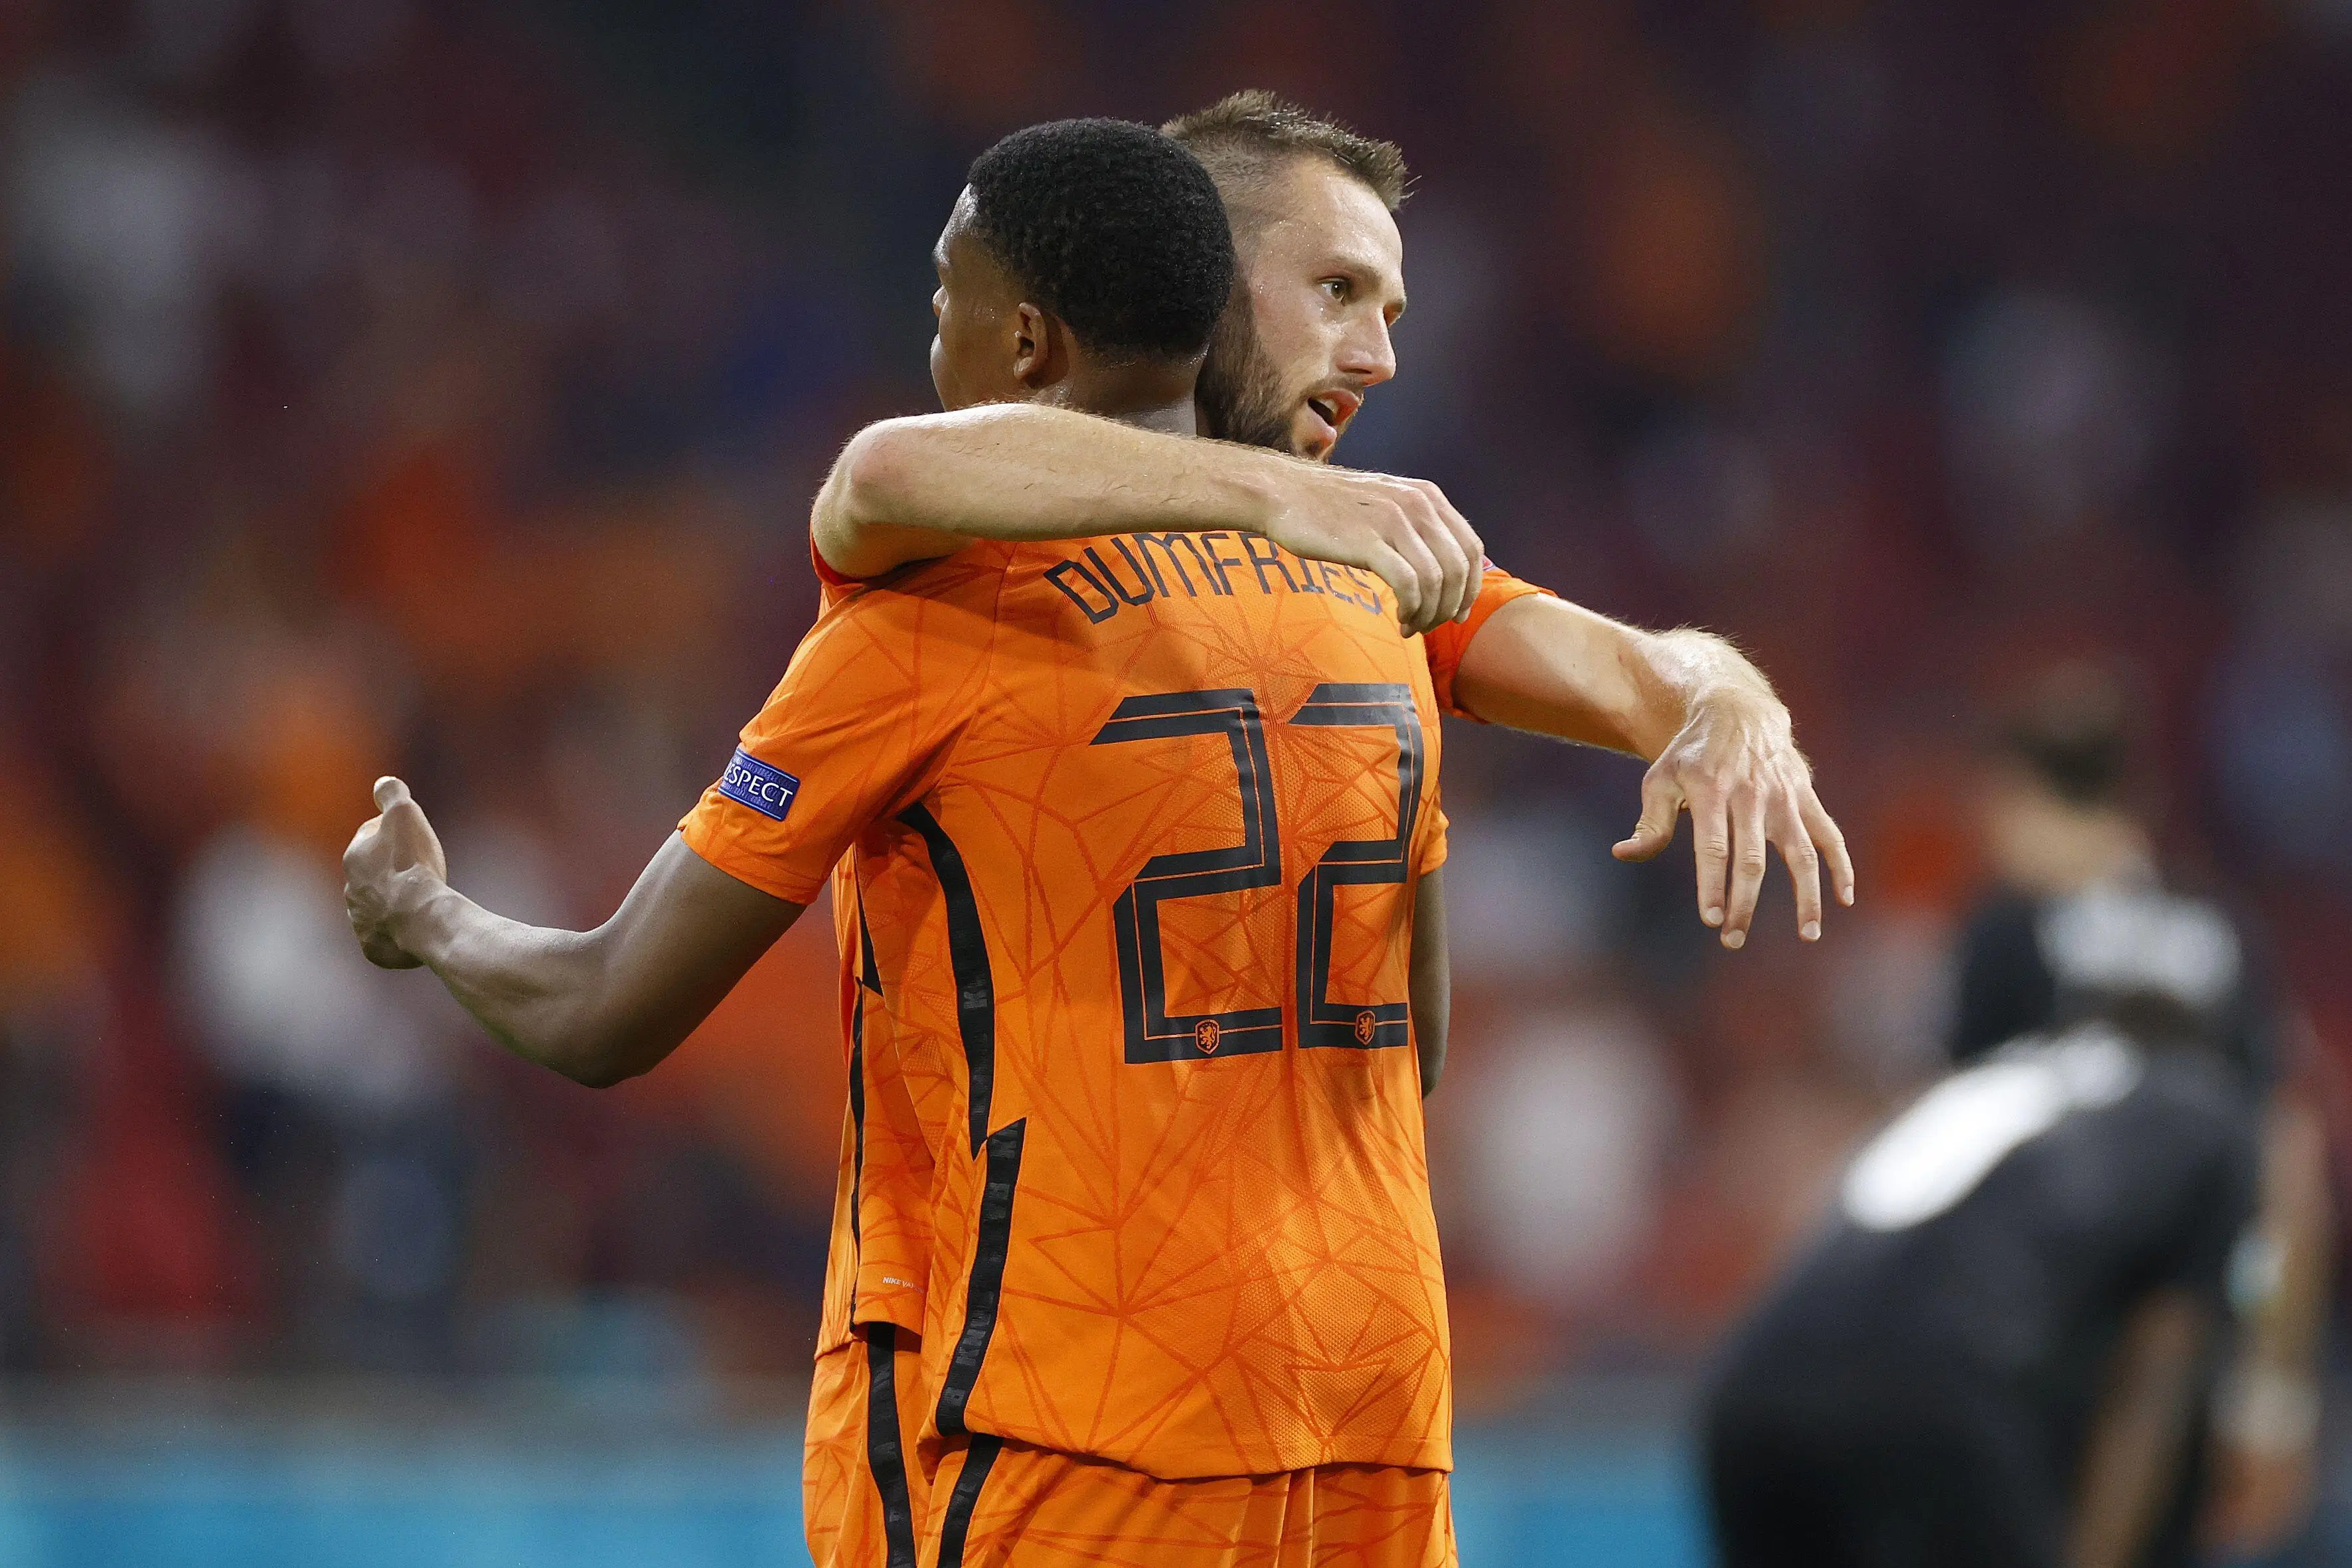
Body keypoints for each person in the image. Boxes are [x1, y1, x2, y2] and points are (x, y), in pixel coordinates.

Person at [347, 119, 1460, 1567]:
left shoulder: (943, 613)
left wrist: (426, 916)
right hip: (1375, 1412)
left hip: (1067, 1416)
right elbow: (1409, 1041)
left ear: (1021, 340)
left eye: (945, 294)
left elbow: (604, 1004)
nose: (925, 324)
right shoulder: (1366, 614)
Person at [808, 90, 1855, 958]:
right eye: (1335, 291)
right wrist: (1272, 492)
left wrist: (1731, 704)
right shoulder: (962, 538)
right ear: (1198, 281)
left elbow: (1638, 673)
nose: (1377, 358)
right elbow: (887, 469)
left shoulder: (1360, 563)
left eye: (1387, 314)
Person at [1700, 666, 2329, 1568]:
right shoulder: (2217, 927)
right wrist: (2270, 1393)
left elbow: (1949, 1140)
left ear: (2010, 797)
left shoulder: (2007, 930)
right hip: (2159, 1318)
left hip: (2019, 1345)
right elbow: (2281, 1159)